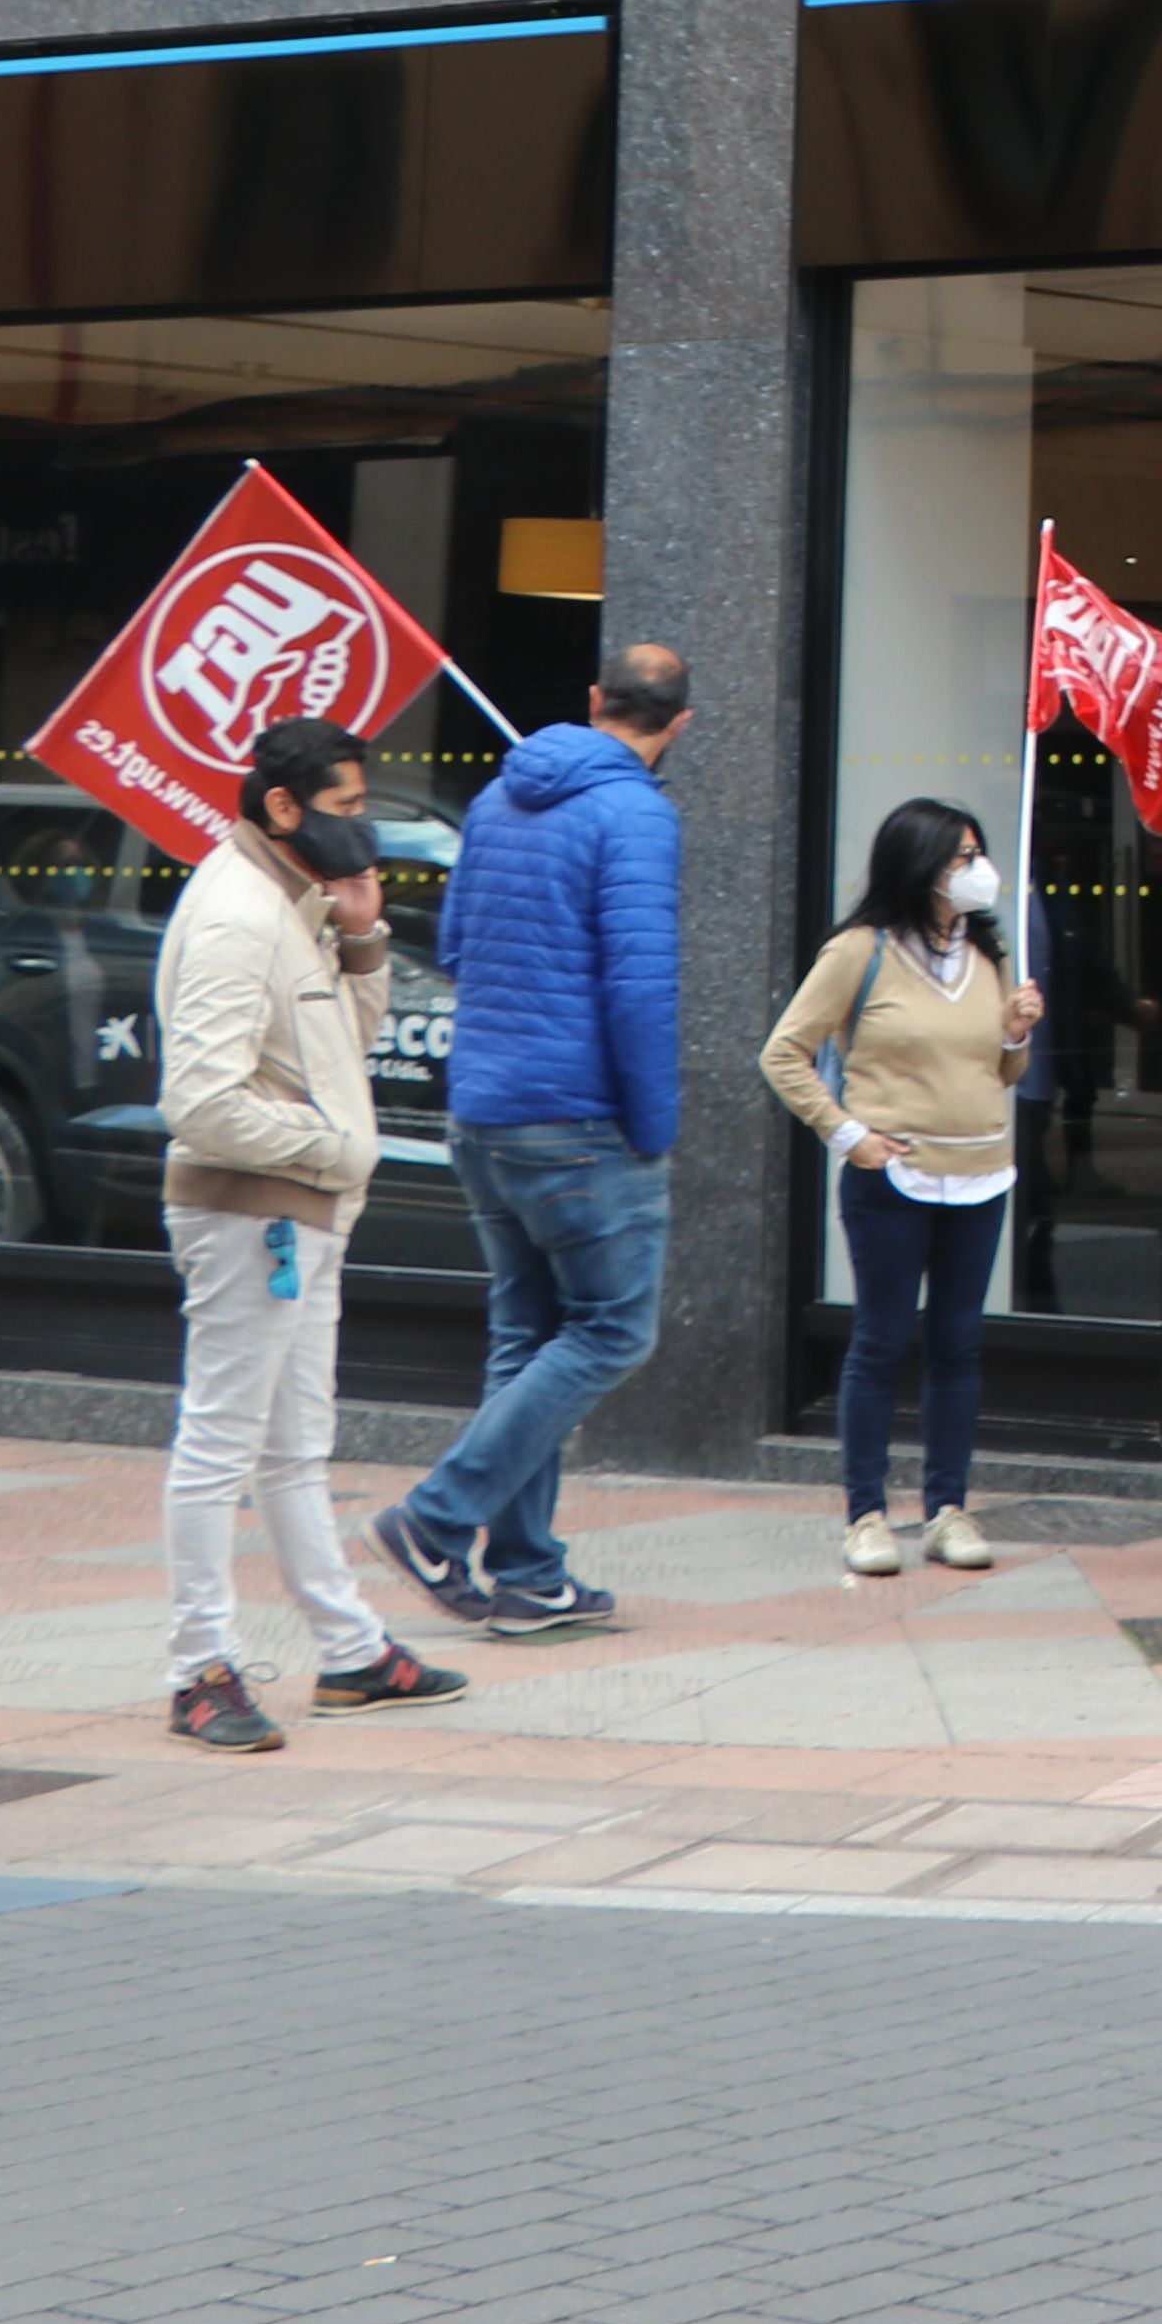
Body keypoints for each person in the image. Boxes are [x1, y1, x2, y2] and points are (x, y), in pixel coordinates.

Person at [373, 644, 691, 1642]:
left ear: (596, 700)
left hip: (486, 1109)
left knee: (529, 1337)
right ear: (677, 723)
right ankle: (436, 1517)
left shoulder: (501, 799)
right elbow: (637, 990)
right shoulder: (638, 814)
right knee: (610, 1332)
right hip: (580, 1122)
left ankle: (526, 1574)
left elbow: (456, 945)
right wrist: (653, 1123)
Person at [155, 716, 461, 1750]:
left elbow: (344, 1044)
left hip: (299, 1212)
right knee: (223, 1441)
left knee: (294, 1447)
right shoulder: (242, 914)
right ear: (280, 808)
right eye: (341, 811)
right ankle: (198, 1668)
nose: (357, 828)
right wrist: (335, 1150)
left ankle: (349, 1651)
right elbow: (201, 1101)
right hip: (255, 1215)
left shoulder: (294, 904)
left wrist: (364, 934)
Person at [758, 797, 1043, 1580]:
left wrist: (1016, 1032)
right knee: (881, 1342)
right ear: (918, 865)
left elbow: (1000, 1070)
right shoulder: (862, 950)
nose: (976, 870)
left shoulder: (990, 956)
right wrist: (848, 1134)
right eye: (959, 857)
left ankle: (948, 1508)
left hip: (981, 1172)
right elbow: (785, 1053)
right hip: (895, 1176)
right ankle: (866, 1514)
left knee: (959, 1344)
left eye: (977, 854)